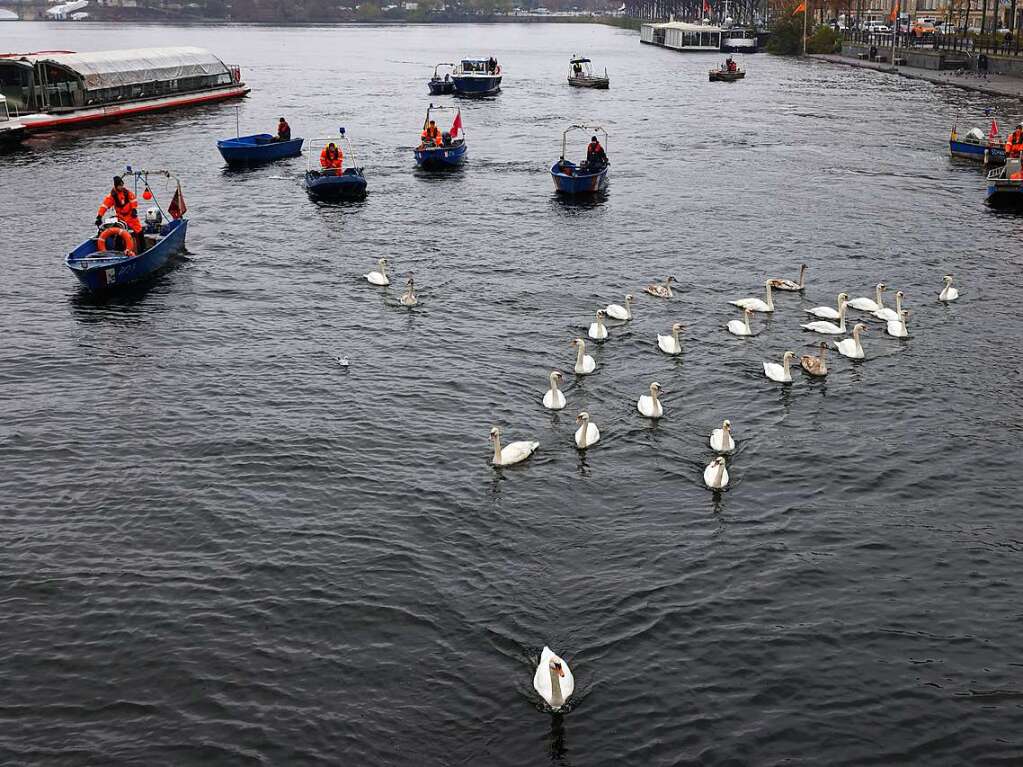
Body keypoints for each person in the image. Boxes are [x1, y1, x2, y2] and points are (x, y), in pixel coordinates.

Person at [95, 175, 143, 253]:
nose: (121, 187)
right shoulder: (112, 196)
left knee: (139, 231)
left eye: (122, 185)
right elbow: (104, 206)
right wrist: (99, 216)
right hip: (121, 217)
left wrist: (134, 209)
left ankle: (142, 249)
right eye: (120, 185)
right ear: (116, 186)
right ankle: (119, 251)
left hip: (131, 215)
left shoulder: (127, 192)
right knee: (120, 234)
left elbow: (133, 200)